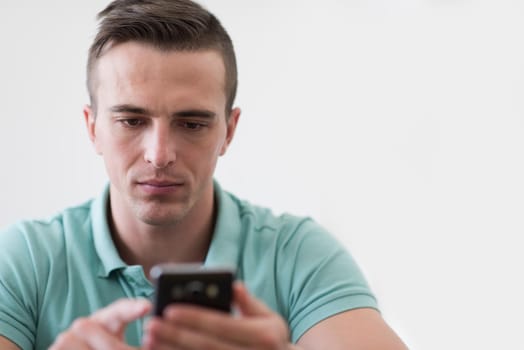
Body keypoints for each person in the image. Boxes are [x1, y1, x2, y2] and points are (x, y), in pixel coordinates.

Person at [0, 0, 407, 349]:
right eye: (131, 121)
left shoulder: (297, 255)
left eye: (192, 124)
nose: (160, 155)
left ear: (228, 131)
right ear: (93, 129)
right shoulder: (28, 260)